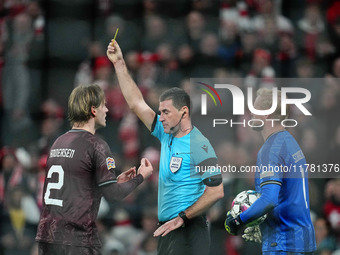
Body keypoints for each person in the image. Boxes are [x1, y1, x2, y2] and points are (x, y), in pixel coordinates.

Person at [107, 41, 224, 255]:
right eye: (160, 112)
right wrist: (120, 64)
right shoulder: (165, 133)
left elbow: (216, 191)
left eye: (166, 112)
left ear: (184, 112)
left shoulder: (200, 144)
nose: (160, 117)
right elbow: (136, 104)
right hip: (168, 228)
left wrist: (183, 217)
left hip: (189, 230)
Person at [35, 84, 153, 255]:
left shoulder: (58, 142)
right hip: (76, 240)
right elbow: (114, 194)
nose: (106, 109)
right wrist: (140, 176)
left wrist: (113, 181)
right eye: (103, 105)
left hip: (47, 237)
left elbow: (75, 187)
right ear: (93, 110)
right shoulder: (96, 145)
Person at [225, 88, 316, 255]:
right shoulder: (290, 143)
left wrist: (239, 221)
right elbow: (288, 196)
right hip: (300, 240)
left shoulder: (271, 150)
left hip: (283, 242)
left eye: (254, 108)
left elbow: (269, 199)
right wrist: (260, 220)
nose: (250, 112)